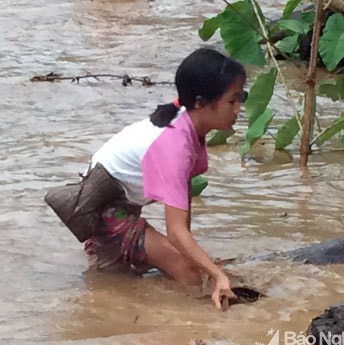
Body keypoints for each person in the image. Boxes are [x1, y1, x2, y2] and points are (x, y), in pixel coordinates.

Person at [83, 47, 247, 309]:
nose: (239, 109)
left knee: (181, 267)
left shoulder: (190, 126)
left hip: (119, 200)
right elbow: (175, 229)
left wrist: (189, 253)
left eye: (242, 98)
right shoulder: (175, 144)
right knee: (190, 273)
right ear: (201, 102)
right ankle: (187, 323)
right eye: (232, 101)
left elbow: (182, 206)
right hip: (103, 209)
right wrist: (215, 274)